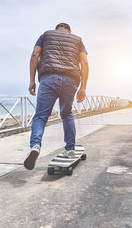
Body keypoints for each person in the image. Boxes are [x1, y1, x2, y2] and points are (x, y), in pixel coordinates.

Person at [24, 22, 89, 170]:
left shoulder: (46, 35)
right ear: (69, 31)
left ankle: (35, 146)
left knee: (40, 116)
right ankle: (70, 149)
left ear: (56, 29)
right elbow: (84, 62)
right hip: (70, 79)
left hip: (48, 78)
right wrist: (83, 87)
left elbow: (35, 54)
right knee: (66, 114)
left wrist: (32, 80)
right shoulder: (77, 40)